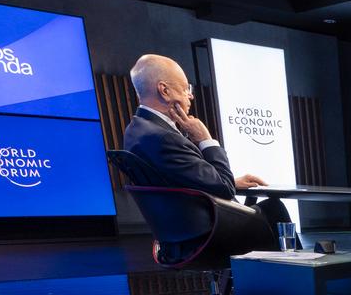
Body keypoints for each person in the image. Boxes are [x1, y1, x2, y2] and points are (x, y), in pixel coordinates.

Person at [122, 54, 297, 258]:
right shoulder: (162, 137)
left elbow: (176, 179)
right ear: (165, 90)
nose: (190, 96)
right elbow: (224, 189)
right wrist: (206, 140)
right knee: (274, 208)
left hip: (177, 234)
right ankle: (300, 273)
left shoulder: (136, 130)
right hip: (202, 234)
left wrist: (230, 181)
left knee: (266, 210)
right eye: (186, 88)